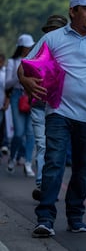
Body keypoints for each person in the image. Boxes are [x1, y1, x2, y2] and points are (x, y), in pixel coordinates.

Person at [17, 0, 86, 238]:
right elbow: (24, 66)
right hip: (59, 112)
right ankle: (45, 218)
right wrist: (27, 83)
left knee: (82, 169)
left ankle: (75, 216)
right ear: (72, 11)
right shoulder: (53, 38)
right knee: (53, 163)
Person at [31, 14, 68, 201]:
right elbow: (24, 73)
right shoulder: (38, 50)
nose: (54, 33)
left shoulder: (69, 51)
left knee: (56, 150)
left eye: (57, 30)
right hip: (40, 105)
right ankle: (42, 185)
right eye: (51, 30)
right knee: (43, 145)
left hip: (61, 108)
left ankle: (50, 186)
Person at [5, 34, 36, 177]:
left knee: (30, 132)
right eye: (27, 46)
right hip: (17, 95)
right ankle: (12, 158)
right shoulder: (12, 62)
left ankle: (28, 162)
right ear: (21, 47)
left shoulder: (35, 59)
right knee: (18, 132)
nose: (29, 49)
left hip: (31, 95)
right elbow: (7, 84)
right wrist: (21, 75)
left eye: (30, 46)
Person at [0, 53, 8, 156]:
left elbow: (8, 88)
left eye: (1, 61)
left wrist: (7, 100)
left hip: (2, 103)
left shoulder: (5, 72)